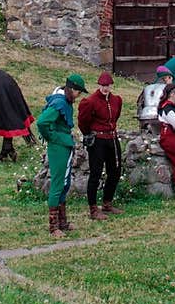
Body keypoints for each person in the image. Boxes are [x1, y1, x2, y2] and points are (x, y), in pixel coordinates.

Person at [36, 73, 87, 236]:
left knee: (65, 183)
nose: (78, 96)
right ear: (71, 89)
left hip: (64, 144)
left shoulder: (65, 101)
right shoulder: (59, 103)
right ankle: (53, 226)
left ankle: (62, 222)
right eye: (78, 92)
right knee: (58, 183)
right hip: (58, 145)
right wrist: (52, 137)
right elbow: (42, 122)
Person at [78, 71, 123, 220]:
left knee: (115, 171)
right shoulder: (90, 101)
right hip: (98, 141)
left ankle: (107, 203)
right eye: (103, 85)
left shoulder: (117, 100)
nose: (105, 88)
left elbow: (115, 117)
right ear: (99, 85)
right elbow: (83, 121)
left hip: (112, 139)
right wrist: (90, 133)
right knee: (96, 173)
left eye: (108, 85)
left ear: (111, 86)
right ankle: (93, 209)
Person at [137, 63, 173, 133]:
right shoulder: (167, 88)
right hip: (159, 117)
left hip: (144, 116)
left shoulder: (147, 88)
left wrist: (140, 115)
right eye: (171, 78)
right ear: (167, 77)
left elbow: (139, 103)